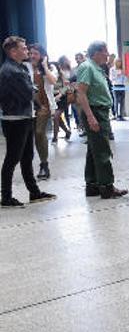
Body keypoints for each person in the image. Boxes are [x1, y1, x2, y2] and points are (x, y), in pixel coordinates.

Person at [0, 36, 55, 208]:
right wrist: (33, 91)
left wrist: (32, 90)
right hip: (15, 119)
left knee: (26, 157)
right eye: (24, 48)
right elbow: (28, 92)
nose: (27, 51)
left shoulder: (19, 67)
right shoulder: (11, 71)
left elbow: (31, 89)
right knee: (12, 158)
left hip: (24, 117)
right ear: (13, 51)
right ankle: (6, 197)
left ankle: (34, 192)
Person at [76, 41, 127, 199]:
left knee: (94, 150)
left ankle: (92, 185)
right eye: (105, 51)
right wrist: (91, 117)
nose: (107, 54)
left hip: (101, 112)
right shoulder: (87, 67)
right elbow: (81, 93)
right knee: (103, 150)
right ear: (97, 52)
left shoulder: (97, 68)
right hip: (95, 112)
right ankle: (107, 186)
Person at [26, 43, 57, 180]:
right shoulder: (25, 67)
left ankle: (44, 164)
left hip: (44, 106)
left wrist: (44, 66)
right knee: (28, 137)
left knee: (39, 133)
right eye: (30, 53)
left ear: (42, 56)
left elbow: (53, 81)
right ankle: (27, 166)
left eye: (35, 54)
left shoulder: (50, 67)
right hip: (28, 106)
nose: (32, 56)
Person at [51, 56, 74, 143]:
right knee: (56, 117)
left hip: (62, 96)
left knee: (56, 116)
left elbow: (67, 86)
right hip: (52, 96)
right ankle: (67, 131)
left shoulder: (63, 73)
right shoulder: (51, 72)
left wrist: (60, 95)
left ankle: (55, 137)